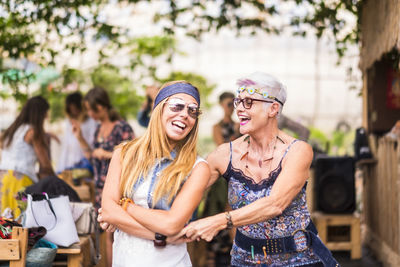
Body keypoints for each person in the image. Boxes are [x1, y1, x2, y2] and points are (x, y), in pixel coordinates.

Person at [181, 72, 339, 267]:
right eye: (238, 102)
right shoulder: (224, 154)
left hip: (300, 259)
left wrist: (218, 221)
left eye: (248, 102)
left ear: (273, 108)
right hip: (244, 260)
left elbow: (274, 204)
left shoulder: (297, 150)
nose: (238, 108)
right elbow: (183, 188)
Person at [97, 81, 210, 266]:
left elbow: (171, 225)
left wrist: (125, 205)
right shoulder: (124, 153)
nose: (184, 114)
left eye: (192, 111)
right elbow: (108, 211)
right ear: (159, 108)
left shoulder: (198, 168)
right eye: (177, 106)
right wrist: (161, 236)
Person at [72, 87, 134, 267]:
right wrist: (80, 138)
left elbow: (133, 156)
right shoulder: (98, 128)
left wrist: (106, 154)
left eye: (91, 109)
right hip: (101, 189)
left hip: (120, 189)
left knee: (119, 234)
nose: (89, 113)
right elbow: (92, 156)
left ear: (101, 106)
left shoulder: (122, 127)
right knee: (108, 235)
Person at [0, 96, 55, 218]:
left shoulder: (13, 129)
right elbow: (45, 164)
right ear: (40, 114)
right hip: (20, 180)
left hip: (2, 179)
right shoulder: (33, 132)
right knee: (21, 226)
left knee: (4, 225)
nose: (46, 117)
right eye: (45, 114)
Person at [204, 91, 241, 266]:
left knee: (234, 212)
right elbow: (223, 147)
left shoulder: (240, 125)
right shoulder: (217, 126)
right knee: (219, 211)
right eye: (228, 104)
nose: (230, 107)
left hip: (238, 173)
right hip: (223, 176)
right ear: (221, 104)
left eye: (232, 104)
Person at [56, 92, 97, 173]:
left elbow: (93, 145)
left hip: (85, 162)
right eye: (71, 110)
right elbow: (66, 146)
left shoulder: (91, 122)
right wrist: (61, 167)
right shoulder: (68, 122)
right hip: (69, 164)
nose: (74, 113)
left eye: (75, 109)